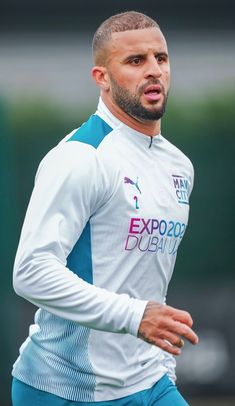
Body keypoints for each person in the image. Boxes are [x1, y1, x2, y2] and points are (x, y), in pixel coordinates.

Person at [12, 11, 199, 406]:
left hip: (150, 384)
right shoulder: (80, 157)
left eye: (160, 59)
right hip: (64, 389)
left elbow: (150, 285)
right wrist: (134, 316)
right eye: (135, 61)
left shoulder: (179, 166)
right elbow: (30, 272)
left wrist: (163, 365)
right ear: (102, 78)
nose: (153, 71)